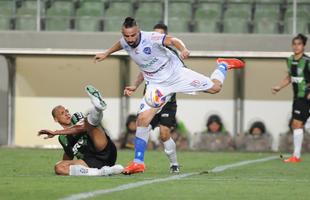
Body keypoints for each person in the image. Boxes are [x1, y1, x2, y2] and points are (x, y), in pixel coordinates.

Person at [94, 17, 245, 174]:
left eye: (133, 35)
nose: (130, 39)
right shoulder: (125, 41)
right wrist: (106, 53)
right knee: (142, 119)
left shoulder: (151, 37)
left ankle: (223, 65)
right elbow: (121, 44)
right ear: (123, 33)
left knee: (215, 88)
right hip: (156, 85)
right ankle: (138, 162)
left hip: (175, 74)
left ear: (138, 31)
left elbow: (174, 40)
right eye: (127, 36)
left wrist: (183, 50)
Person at [38, 85, 123, 176]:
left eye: (66, 111)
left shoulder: (76, 117)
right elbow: (68, 156)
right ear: (56, 119)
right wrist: (65, 164)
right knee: (59, 167)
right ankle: (101, 172)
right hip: (91, 161)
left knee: (88, 123)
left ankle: (98, 108)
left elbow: (80, 128)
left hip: (103, 149)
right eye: (62, 113)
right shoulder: (63, 138)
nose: (66, 114)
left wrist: (55, 132)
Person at [137, 23, 181, 173]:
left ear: (165, 36)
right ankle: (138, 163)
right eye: (154, 34)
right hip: (151, 100)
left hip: (167, 101)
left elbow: (182, 72)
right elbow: (143, 71)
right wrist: (135, 86)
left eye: (160, 34)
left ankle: (174, 164)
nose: (155, 37)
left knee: (164, 134)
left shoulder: (171, 54)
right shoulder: (147, 52)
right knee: (142, 128)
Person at [272, 33, 310, 163]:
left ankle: (296, 156)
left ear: (304, 46)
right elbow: (290, 77)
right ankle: (296, 156)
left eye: (299, 44)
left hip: (305, 97)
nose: (296, 46)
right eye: (294, 44)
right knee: (297, 124)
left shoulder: (307, 61)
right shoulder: (290, 60)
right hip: (297, 97)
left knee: (297, 124)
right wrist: (279, 86)